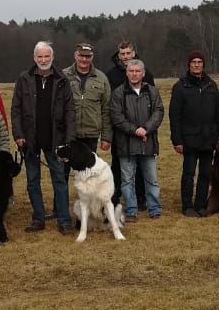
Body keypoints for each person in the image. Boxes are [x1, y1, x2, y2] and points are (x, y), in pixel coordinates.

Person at [10, 41, 76, 234]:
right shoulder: (24, 78)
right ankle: (38, 218)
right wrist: (19, 134)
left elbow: (70, 111)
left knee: (60, 181)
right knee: (32, 181)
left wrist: (69, 139)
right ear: (34, 58)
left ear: (52, 58)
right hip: (30, 140)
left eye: (47, 56)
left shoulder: (62, 79)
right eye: (40, 56)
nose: (43, 60)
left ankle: (64, 221)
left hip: (56, 139)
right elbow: (16, 109)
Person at [169, 50, 219, 217]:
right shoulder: (180, 86)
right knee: (188, 174)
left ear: (203, 64)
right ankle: (187, 206)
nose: (196, 65)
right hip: (189, 139)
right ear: (189, 65)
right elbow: (175, 116)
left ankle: (201, 205)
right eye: (193, 62)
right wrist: (177, 140)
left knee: (205, 173)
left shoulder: (211, 85)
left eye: (199, 62)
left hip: (209, 139)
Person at [110, 58, 165, 220]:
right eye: (131, 71)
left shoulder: (152, 92)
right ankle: (131, 210)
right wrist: (135, 130)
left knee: (152, 179)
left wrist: (146, 129)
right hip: (126, 144)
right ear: (126, 73)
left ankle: (154, 208)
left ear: (143, 73)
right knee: (127, 180)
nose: (134, 74)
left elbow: (158, 112)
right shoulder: (118, 93)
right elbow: (117, 117)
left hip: (147, 143)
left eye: (137, 71)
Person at [106, 40, 156, 206]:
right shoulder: (111, 75)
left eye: (128, 53)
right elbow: (110, 105)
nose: (126, 56)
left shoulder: (146, 73)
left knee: (142, 165)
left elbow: (153, 101)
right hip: (120, 129)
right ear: (118, 55)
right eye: (123, 54)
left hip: (143, 129)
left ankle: (141, 197)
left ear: (134, 53)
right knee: (118, 164)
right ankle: (115, 196)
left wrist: (146, 128)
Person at [62, 42, 112, 154]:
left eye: (88, 56)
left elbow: (106, 109)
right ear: (75, 55)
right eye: (81, 56)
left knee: (88, 170)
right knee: (63, 169)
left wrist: (106, 137)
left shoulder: (101, 78)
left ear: (92, 57)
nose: (84, 59)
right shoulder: (63, 76)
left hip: (91, 135)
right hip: (67, 132)